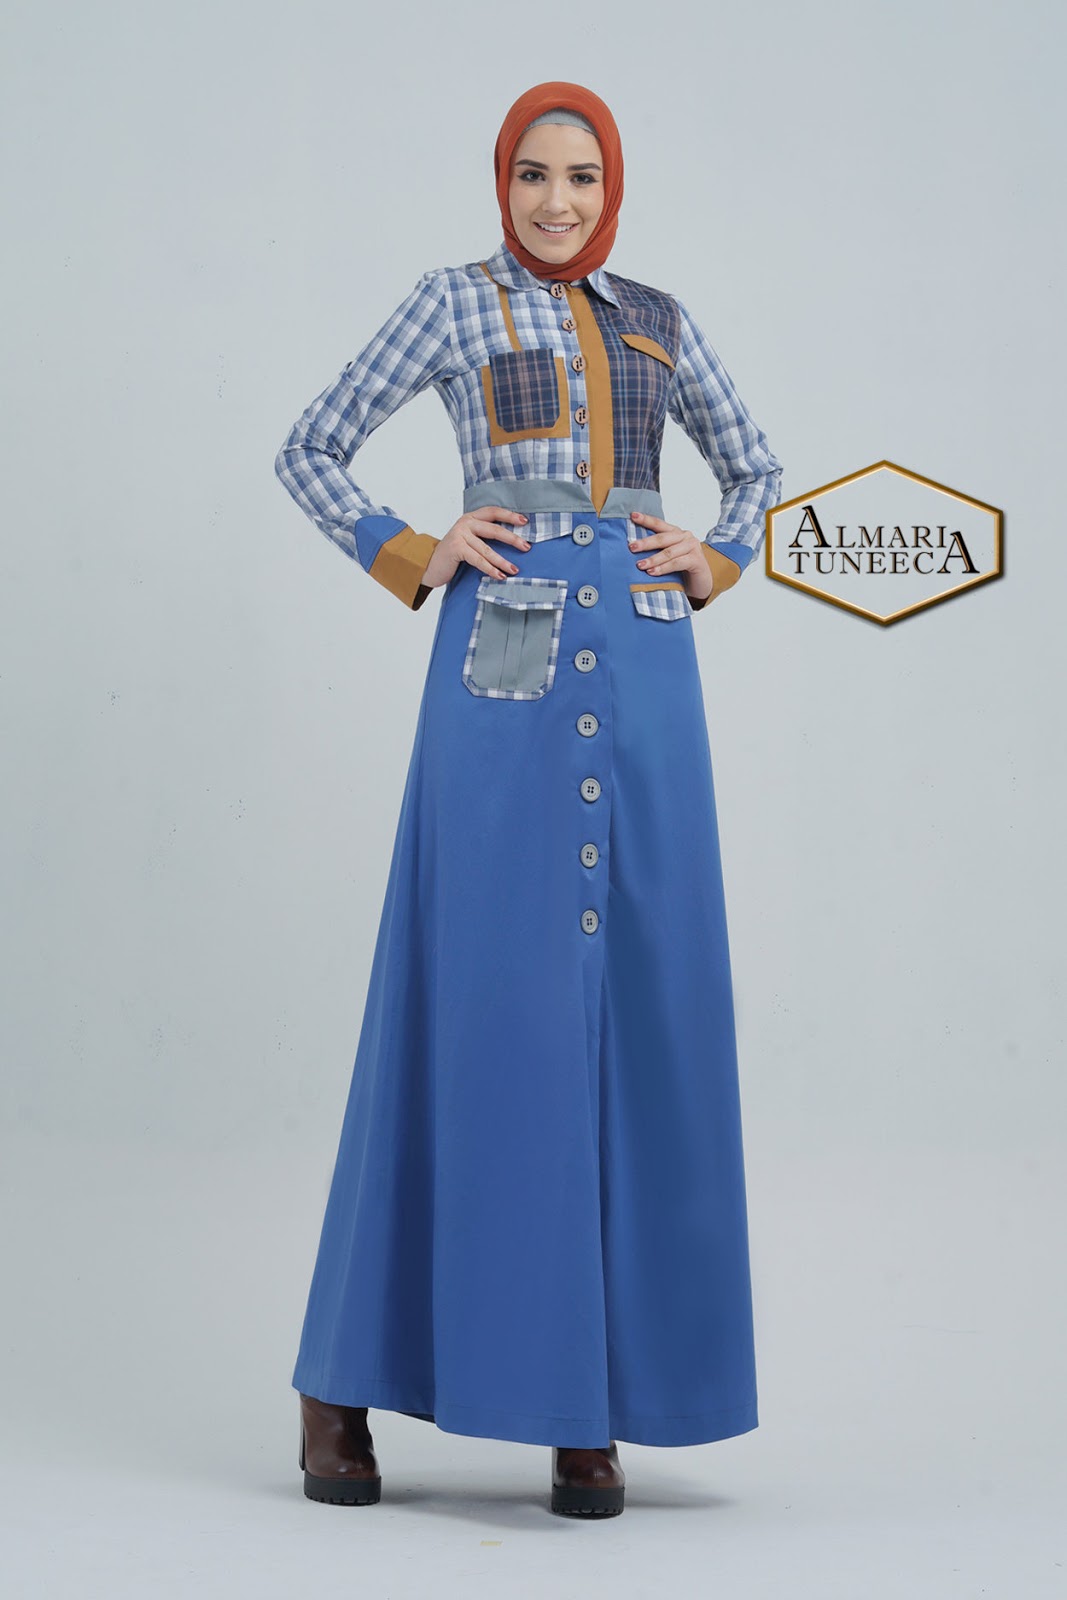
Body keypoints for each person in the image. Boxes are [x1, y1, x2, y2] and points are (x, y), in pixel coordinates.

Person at [273, 79, 783, 1520]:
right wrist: (411, 548)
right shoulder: (452, 303)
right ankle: (338, 1386)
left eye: (582, 176)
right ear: (501, 183)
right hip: (502, 672)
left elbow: (759, 469)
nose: (557, 201)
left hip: (651, 678)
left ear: (611, 188)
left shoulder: (659, 320)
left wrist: (715, 555)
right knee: (475, 1003)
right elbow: (310, 445)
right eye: (532, 175)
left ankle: (587, 1402)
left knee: (639, 1015)